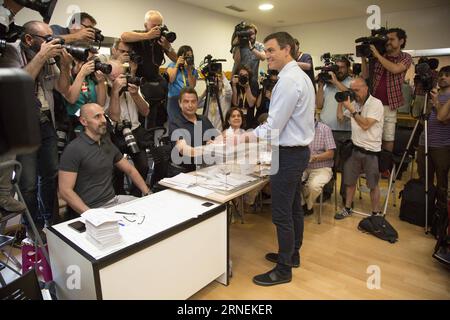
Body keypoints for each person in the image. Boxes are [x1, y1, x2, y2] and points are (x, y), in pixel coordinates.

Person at [239, 32, 315, 286]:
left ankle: (283, 269)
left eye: (271, 50)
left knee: (281, 213)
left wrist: (246, 136)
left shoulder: (287, 81)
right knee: (293, 207)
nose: (266, 55)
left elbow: (272, 127)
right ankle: (291, 255)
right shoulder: (301, 77)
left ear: (287, 49)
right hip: (297, 152)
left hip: (289, 154)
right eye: (265, 50)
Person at [0, 21, 72, 235]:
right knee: (28, 182)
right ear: (29, 39)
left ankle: (49, 222)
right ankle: (33, 229)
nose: (52, 42)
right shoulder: (10, 52)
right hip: (21, 124)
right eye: (46, 38)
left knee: (50, 174)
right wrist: (41, 56)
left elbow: (63, 88)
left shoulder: (49, 58)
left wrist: (66, 66)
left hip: (44, 120)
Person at [59, 103, 150, 215]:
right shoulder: (74, 149)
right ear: (84, 122)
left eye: (103, 115)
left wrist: (147, 193)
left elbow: (130, 170)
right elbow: (65, 191)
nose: (103, 120)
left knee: (150, 208)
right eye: (97, 117)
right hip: (91, 209)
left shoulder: (107, 143)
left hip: (113, 201)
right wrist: (90, 215)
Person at [335, 78, 384, 219]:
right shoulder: (354, 104)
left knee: (373, 185)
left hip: (371, 151)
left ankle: (375, 213)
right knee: (350, 182)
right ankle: (347, 208)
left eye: (357, 90)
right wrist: (341, 102)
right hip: (355, 149)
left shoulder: (376, 104)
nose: (354, 93)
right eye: (352, 90)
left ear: (366, 88)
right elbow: (339, 118)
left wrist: (352, 111)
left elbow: (365, 125)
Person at [121, 10, 177, 128]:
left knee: (154, 118)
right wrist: (147, 36)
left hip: (155, 84)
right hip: (139, 83)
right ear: (146, 25)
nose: (157, 28)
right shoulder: (139, 35)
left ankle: (152, 139)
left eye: (159, 25)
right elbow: (124, 36)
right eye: (154, 25)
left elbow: (176, 59)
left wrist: (168, 47)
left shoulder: (161, 40)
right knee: (140, 118)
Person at [361, 28, 413, 154]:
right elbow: (365, 75)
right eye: (386, 39)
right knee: (371, 136)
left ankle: (385, 167)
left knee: (388, 138)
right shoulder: (379, 56)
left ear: (401, 41)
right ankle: (372, 165)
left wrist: (377, 56)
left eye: (391, 39)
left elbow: (395, 69)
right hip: (373, 103)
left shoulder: (405, 57)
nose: (388, 42)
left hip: (390, 105)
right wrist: (364, 58)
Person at [105, 60, 150, 197]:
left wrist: (135, 94)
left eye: (121, 76)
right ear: (109, 78)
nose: (120, 81)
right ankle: (119, 196)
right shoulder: (104, 89)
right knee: (117, 170)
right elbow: (114, 116)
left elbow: (146, 111)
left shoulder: (132, 86)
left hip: (135, 130)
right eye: (115, 77)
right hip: (116, 133)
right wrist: (115, 92)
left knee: (143, 166)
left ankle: (135, 196)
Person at [416, 66, 450, 215]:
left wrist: (436, 102)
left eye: (447, 75)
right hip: (425, 142)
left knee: (442, 182)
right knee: (424, 178)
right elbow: (423, 119)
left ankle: (441, 215)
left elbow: (442, 118)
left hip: (442, 145)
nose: (443, 77)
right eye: (441, 75)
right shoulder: (431, 95)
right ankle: (425, 210)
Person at [168, 87, 219, 177]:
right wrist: (207, 149)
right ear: (180, 104)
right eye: (186, 101)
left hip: (206, 168)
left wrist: (215, 143)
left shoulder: (204, 119)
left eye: (193, 101)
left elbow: (218, 139)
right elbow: (183, 149)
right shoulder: (175, 122)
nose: (190, 105)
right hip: (185, 172)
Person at [63, 47, 107, 139]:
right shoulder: (67, 77)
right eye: (87, 60)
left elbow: (101, 103)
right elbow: (71, 99)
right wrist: (81, 73)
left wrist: (101, 82)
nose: (90, 63)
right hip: (75, 124)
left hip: (94, 124)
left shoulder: (91, 78)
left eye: (92, 60)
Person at [301, 121, 336, 216]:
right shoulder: (299, 127)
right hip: (303, 166)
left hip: (322, 167)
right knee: (291, 180)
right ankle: (302, 204)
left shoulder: (324, 129)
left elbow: (330, 153)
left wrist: (315, 157)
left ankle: (308, 206)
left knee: (313, 186)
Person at [166, 45, 199, 122]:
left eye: (191, 56)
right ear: (181, 56)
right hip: (174, 98)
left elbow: (192, 86)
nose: (189, 58)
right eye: (187, 56)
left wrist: (189, 71)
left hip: (188, 99)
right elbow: (171, 79)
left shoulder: (192, 70)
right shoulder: (172, 65)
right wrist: (177, 65)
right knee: (175, 123)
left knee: (187, 122)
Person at [231, 22, 265, 91]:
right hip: (238, 79)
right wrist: (237, 45)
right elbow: (236, 61)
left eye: (252, 33)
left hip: (252, 81)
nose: (250, 36)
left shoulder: (259, 45)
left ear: (255, 34)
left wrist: (252, 48)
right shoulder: (239, 45)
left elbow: (263, 57)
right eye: (248, 34)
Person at [231, 65, 258, 129]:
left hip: (249, 120)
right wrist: (234, 87)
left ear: (249, 77)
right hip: (236, 121)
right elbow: (235, 103)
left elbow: (251, 104)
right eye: (241, 75)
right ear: (237, 76)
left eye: (246, 75)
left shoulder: (253, 84)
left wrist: (247, 87)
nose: (243, 77)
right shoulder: (235, 85)